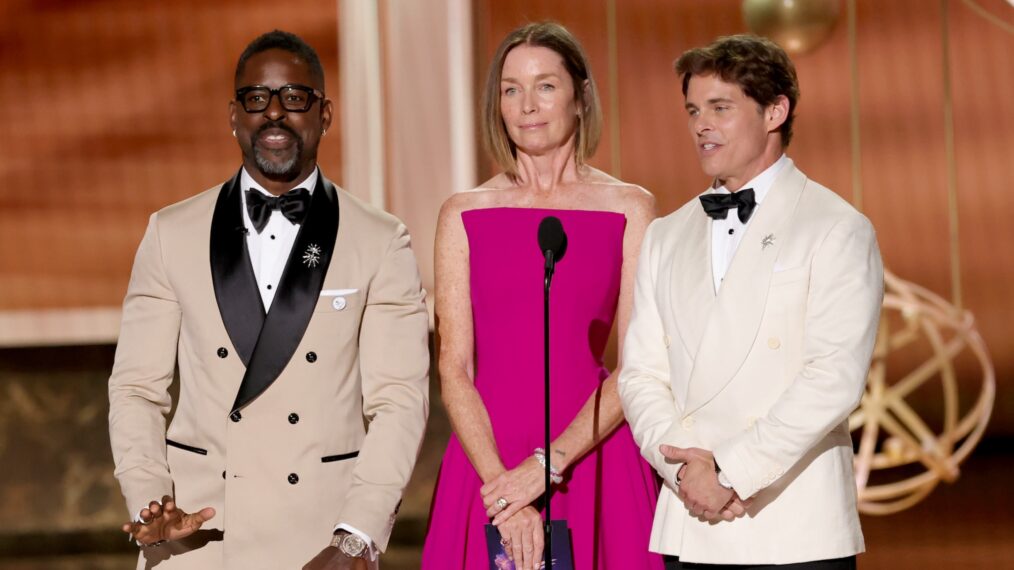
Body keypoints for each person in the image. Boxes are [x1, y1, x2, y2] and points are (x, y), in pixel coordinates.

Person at [107, 30, 430, 570]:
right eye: (257, 99)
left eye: (295, 98)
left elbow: (399, 400)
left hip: (322, 541)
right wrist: (150, 500)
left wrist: (357, 535)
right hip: (196, 536)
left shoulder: (380, 239)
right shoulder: (171, 232)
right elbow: (137, 389)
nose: (274, 114)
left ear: (324, 114)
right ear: (234, 115)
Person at [618, 34, 884, 569]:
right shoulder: (667, 235)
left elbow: (833, 377)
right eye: (694, 110)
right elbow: (640, 373)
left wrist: (729, 472)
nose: (700, 125)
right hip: (692, 519)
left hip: (791, 523)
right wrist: (684, 470)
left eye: (720, 108)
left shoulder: (835, 228)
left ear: (775, 111)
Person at [421, 21, 663, 570]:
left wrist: (546, 467)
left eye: (546, 86)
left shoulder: (630, 209)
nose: (527, 105)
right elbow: (453, 366)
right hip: (487, 461)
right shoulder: (463, 213)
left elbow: (637, 365)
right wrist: (505, 489)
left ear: (580, 97)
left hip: (592, 452)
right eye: (511, 89)